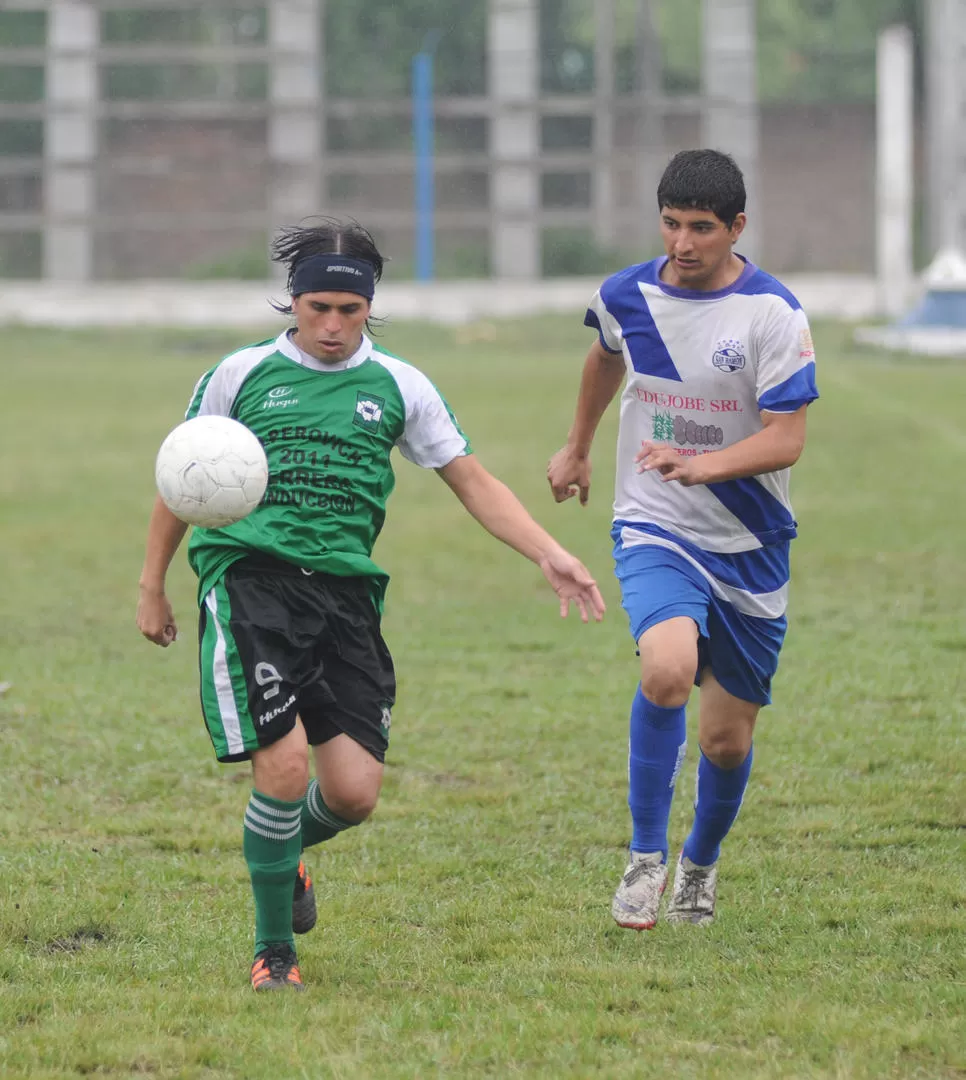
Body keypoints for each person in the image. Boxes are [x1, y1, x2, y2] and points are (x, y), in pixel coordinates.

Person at [137, 219, 605, 991]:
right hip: (251, 583)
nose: (331, 326)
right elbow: (182, 479)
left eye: (348, 311)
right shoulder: (240, 374)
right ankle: (273, 953)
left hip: (347, 596)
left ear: (369, 308)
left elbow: (473, 481)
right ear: (292, 301)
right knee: (283, 768)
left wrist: (549, 552)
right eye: (317, 307)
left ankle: (286, 858)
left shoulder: (400, 386)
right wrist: (153, 584)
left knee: (352, 795)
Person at [547, 149, 818, 929]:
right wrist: (577, 446)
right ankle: (643, 859)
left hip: (751, 541)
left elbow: (787, 438)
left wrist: (702, 464)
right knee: (666, 670)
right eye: (671, 225)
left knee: (726, 742)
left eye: (702, 228)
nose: (683, 243)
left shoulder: (773, 314)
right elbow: (605, 355)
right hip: (653, 521)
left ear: (737, 227)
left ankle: (699, 863)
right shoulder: (626, 293)